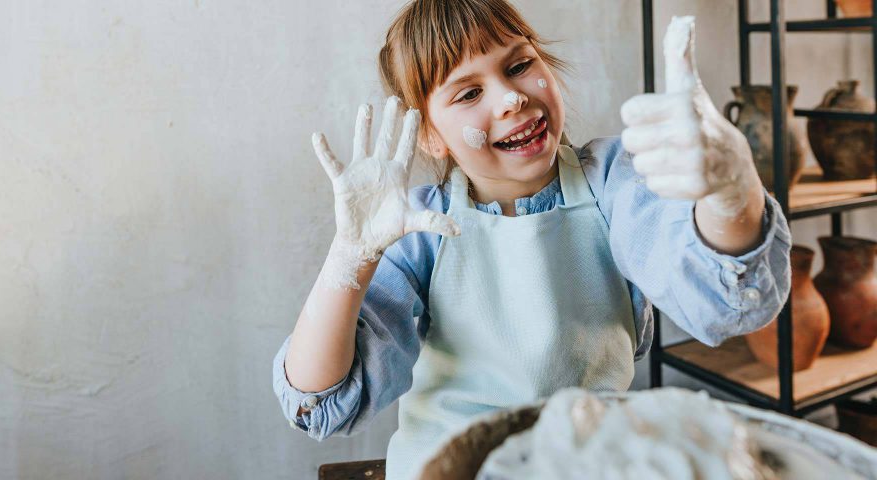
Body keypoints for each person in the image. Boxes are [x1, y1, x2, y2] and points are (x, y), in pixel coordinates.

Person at [273, 1, 792, 478]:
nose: (511, 97)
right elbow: (323, 403)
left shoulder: (614, 183)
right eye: (469, 92)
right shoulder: (420, 231)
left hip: (590, 464)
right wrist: (350, 257)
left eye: (519, 65)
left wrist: (731, 197)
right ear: (430, 134)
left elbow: (725, 301)